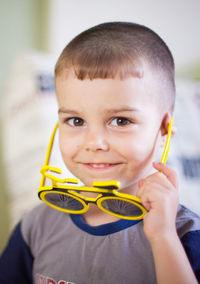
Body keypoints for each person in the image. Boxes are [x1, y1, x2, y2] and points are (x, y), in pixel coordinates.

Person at [0, 22, 200, 284]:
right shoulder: (35, 227)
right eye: (76, 121)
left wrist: (163, 238)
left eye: (120, 121)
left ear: (164, 128)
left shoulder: (185, 235)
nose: (94, 143)